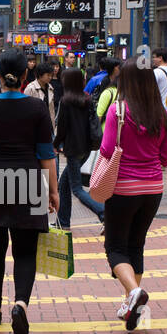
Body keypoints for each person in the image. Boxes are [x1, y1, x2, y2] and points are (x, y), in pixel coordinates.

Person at [0, 50, 58, 334]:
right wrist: (53, 191)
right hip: (28, 180)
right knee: (25, 250)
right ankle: (20, 303)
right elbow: (46, 154)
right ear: (25, 75)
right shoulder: (37, 107)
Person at [99, 61, 167, 331]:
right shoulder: (162, 115)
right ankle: (131, 305)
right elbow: (166, 157)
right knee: (136, 245)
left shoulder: (117, 111)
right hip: (153, 189)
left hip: (123, 187)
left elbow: (106, 150)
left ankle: (133, 293)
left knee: (115, 247)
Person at [53, 68, 107, 229]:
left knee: (76, 188)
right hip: (86, 147)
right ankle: (63, 222)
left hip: (73, 149)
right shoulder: (86, 99)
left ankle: (104, 212)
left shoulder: (66, 101)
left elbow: (61, 128)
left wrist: (55, 145)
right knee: (64, 184)